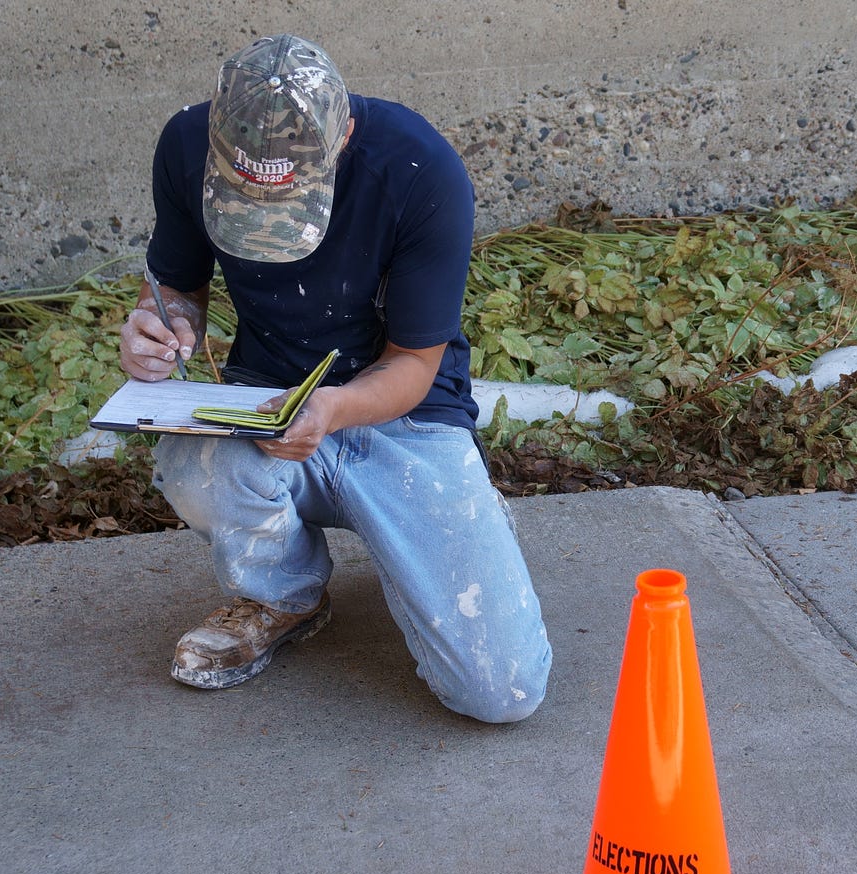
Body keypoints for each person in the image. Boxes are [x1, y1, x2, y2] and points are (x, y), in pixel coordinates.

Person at [118, 34, 551, 723]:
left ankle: (459, 513)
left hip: (402, 414)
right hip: (268, 394)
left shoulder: (419, 171)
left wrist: (335, 408)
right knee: (192, 460)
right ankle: (282, 595)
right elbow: (177, 286)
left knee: (502, 692)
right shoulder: (184, 145)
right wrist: (158, 328)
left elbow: (414, 362)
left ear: (343, 133)